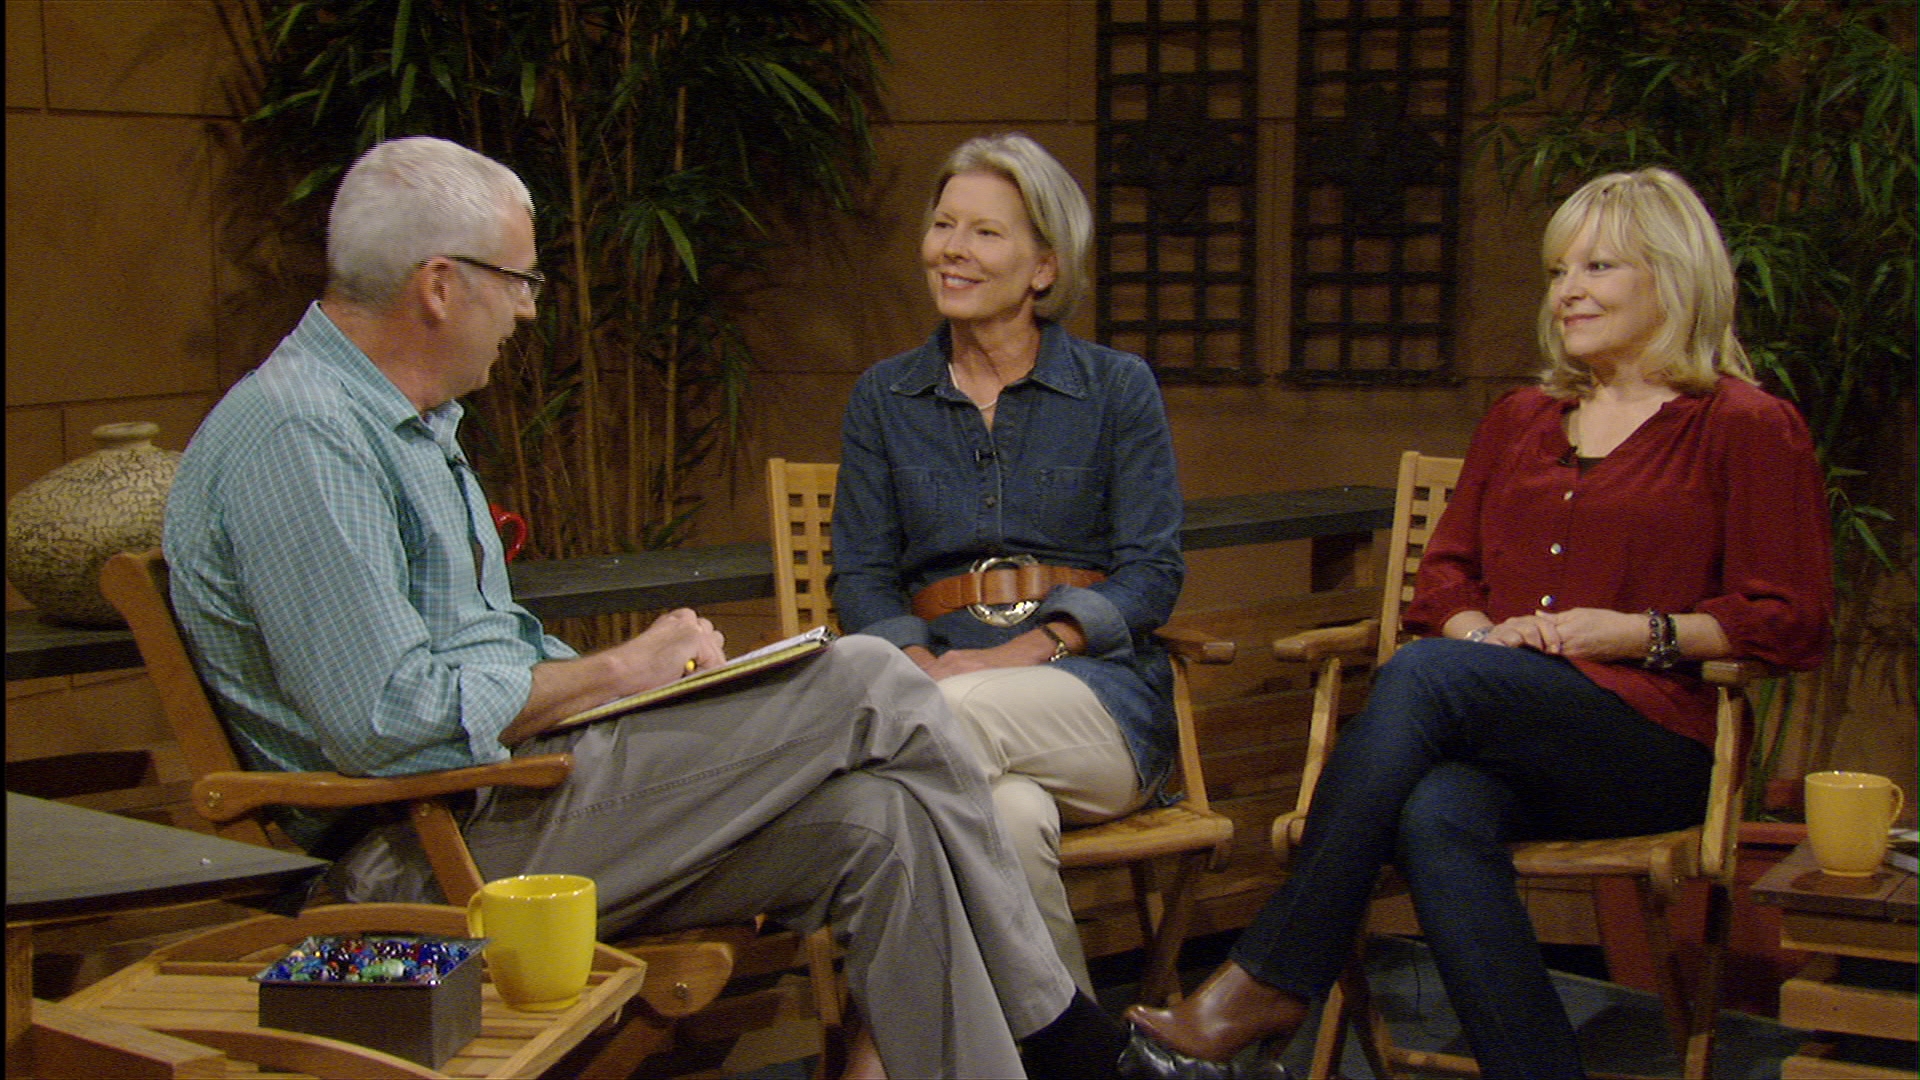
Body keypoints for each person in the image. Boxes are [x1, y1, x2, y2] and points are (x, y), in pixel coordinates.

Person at [163, 136, 1127, 1080]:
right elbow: (383, 722)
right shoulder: (305, 437)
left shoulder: (404, 425)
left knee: (885, 824)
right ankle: (1070, 1042)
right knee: (871, 675)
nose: (528, 312)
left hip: (509, 799)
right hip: (423, 852)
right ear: (441, 286)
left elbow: (471, 656)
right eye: (521, 281)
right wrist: (615, 672)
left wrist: (636, 690)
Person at [1120, 167, 1834, 1079]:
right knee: (1434, 810)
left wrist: (1629, 632)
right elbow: (1444, 582)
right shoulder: (1524, 420)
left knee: (1419, 677)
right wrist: (1482, 640)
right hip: (1500, 717)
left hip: (1647, 743)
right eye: (1556, 270)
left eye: (1598, 266)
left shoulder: (1744, 424)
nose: (1567, 290)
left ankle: (1269, 976)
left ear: (1675, 276)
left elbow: (1792, 617)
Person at [831, 132, 1186, 996]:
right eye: (943, 224)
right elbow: (864, 573)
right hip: (943, 687)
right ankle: (1078, 1054)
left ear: (1042, 267)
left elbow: (1152, 570)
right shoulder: (886, 396)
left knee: (919, 725)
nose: (950, 249)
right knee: (1005, 819)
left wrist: (1032, 647)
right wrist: (913, 658)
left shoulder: (1115, 388)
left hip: (1095, 698)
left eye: (984, 233)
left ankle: (884, 1035)